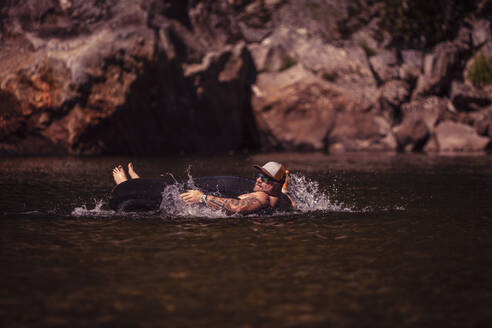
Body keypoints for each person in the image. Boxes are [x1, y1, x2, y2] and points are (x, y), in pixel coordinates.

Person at [112, 161, 296, 215]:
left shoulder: (262, 198)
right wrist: (284, 185)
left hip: (205, 201)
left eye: (266, 179)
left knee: (171, 198)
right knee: (173, 191)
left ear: (275, 184)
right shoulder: (283, 199)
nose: (259, 180)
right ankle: (137, 182)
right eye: (259, 175)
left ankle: (127, 186)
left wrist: (202, 198)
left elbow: (239, 207)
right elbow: (288, 198)